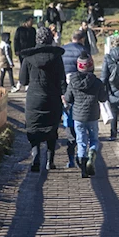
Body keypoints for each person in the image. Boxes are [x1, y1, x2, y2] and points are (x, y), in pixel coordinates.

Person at [19, 27, 67, 172]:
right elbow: (62, 81)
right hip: (52, 97)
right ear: (50, 39)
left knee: (34, 127)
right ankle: (50, 160)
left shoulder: (28, 58)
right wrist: (65, 96)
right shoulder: (56, 57)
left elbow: (23, 80)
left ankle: (35, 156)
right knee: (51, 127)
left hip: (34, 97)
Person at [64, 52, 108, 178]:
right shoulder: (97, 82)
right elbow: (103, 98)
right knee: (94, 139)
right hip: (93, 115)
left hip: (78, 116)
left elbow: (68, 98)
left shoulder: (73, 81)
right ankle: (92, 152)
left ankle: (83, 168)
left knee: (81, 140)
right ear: (91, 65)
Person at [61, 30, 87, 167]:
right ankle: (80, 154)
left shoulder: (63, 50)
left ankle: (70, 158)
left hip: (65, 91)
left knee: (69, 122)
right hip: (79, 92)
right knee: (80, 125)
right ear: (82, 39)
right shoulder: (83, 51)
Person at [13, 16, 37, 91]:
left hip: (30, 51)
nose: (32, 23)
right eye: (30, 22)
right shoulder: (20, 29)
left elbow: (35, 40)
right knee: (23, 66)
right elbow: (16, 40)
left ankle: (28, 83)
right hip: (22, 51)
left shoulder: (33, 30)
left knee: (30, 67)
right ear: (27, 22)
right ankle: (20, 82)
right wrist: (16, 50)